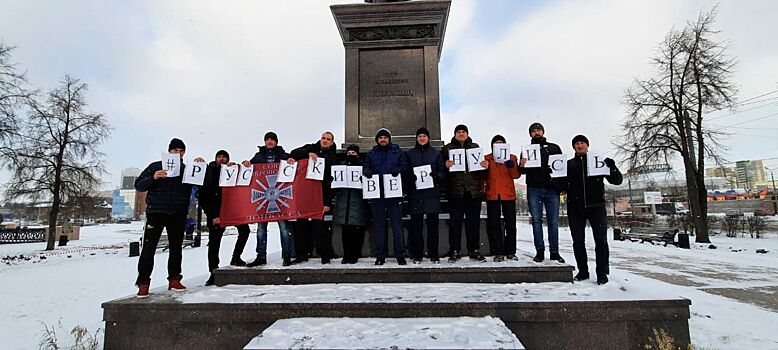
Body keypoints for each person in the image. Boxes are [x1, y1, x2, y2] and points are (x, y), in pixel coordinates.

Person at [133, 138, 202, 298]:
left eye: (181, 151)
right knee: (148, 250)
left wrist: (201, 166)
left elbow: (201, 185)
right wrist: (153, 178)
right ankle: (143, 283)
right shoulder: (155, 166)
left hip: (178, 214)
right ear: (169, 152)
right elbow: (139, 185)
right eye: (175, 150)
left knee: (176, 249)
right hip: (156, 213)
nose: (178, 153)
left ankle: (174, 279)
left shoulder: (187, 169)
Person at [564, 135, 623, 285]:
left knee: (601, 241)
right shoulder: (568, 164)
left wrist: (612, 167)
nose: (579, 145)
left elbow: (617, 181)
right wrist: (554, 175)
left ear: (587, 145)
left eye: (582, 143)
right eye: (576, 143)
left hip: (596, 206)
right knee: (578, 241)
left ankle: (602, 273)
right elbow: (561, 186)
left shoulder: (598, 162)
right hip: (575, 207)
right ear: (573, 147)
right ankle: (583, 271)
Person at [242, 132, 295, 267]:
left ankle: (287, 256)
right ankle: (261, 256)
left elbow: (293, 164)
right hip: (263, 199)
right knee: (261, 229)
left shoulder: (283, 155)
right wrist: (245, 163)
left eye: (272, 139)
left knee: (284, 228)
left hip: (281, 197)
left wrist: (291, 160)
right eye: (268, 139)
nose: (270, 142)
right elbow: (248, 168)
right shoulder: (258, 156)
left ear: (276, 141)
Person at [199, 150, 251, 286]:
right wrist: (213, 216)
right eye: (219, 157)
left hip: (232, 211)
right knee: (214, 244)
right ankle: (213, 272)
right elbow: (203, 197)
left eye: (224, 157)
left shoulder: (231, 171)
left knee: (245, 230)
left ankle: (236, 257)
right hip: (216, 213)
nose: (222, 159)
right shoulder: (209, 172)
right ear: (216, 158)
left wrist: (241, 165)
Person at [519, 122, 566, 263]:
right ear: (530, 134)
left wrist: (562, 187)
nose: (536, 132)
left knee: (553, 222)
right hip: (534, 189)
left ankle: (554, 252)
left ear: (543, 132)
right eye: (533, 131)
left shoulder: (554, 147)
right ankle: (539, 252)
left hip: (552, 189)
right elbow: (521, 171)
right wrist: (521, 164)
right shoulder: (527, 150)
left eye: (539, 130)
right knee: (536, 221)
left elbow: (561, 168)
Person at [288, 132, 337, 264]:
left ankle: (324, 254)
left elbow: (329, 182)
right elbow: (293, 153)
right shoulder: (310, 148)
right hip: (303, 194)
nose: (325, 141)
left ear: (332, 142)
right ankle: (301, 254)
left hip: (319, 195)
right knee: (300, 225)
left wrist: (327, 202)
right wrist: (307, 154)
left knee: (320, 227)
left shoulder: (333, 157)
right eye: (323, 138)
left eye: (328, 139)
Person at [441, 124, 488, 263]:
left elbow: (481, 172)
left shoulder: (475, 148)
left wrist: (484, 165)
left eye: (463, 131)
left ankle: (474, 250)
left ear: (467, 134)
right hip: (455, 192)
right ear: (455, 134)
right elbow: (441, 171)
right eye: (458, 132)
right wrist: (446, 165)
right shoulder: (447, 149)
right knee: (455, 224)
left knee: (473, 224)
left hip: (473, 192)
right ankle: (455, 250)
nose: (461, 134)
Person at [364, 128, 408, 265]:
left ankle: (400, 255)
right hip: (377, 195)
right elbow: (365, 167)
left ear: (389, 139)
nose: (383, 140)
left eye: (385, 137)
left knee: (397, 225)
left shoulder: (398, 152)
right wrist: (367, 171)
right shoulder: (371, 154)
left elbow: (405, 167)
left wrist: (399, 169)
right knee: (379, 226)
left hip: (394, 195)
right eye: (380, 137)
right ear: (377, 140)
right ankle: (380, 255)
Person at [404, 127, 444, 264]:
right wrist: (410, 177)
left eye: (424, 136)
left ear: (428, 138)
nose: (422, 138)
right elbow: (405, 172)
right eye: (420, 136)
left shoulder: (436, 153)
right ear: (416, 138)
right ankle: (417, 254)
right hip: (416, 195)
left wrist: (436, 176)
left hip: (431, 195)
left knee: (433, 228)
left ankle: (434, 254)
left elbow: (442, 172)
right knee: (416, 228)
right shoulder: (409, 154)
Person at [483, 135, 520, 262]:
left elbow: (516, 175)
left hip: (508, 194)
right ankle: (498, 251)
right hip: (492, 194)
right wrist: (484, 166)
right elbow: (482, 176)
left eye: (501, 143)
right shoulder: (487, 158)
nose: (498, 145)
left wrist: (512, 166)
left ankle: (511, 251)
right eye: (496, 143)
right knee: (494, 225)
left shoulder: (512, 158)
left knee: (510, 224)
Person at [332, 144, 368, 264]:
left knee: (356, 231)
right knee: (345, 231)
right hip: (343, 203)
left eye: (353, 153)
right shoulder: (340, 168)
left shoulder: (363, 168)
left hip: (356, 203)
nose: (350, 155)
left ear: (357, 155)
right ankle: (346, 254)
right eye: (349, 153)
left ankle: (354, 254)